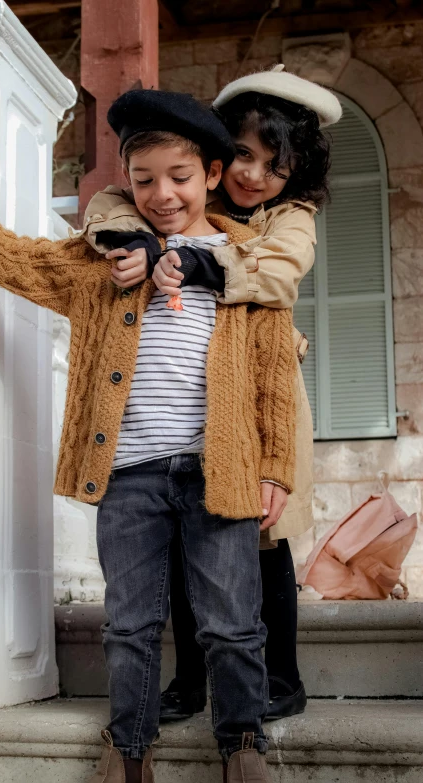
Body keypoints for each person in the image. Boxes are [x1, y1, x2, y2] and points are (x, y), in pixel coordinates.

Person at [0, 88, 299, 783]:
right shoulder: (104, 258)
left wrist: (278, 467)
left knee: (233, 621)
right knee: (129, 625)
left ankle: (241, 744)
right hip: (130, 473)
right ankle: (129, 747)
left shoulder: (250, 265)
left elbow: (272, 379)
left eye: (179, 177)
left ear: (211, 173)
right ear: (127, 183)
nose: (162, 194)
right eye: (143, 180)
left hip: (222, 468)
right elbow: (19, 260)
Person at [80, 65, 342, 722]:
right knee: (181, 539)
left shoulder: (293, 218)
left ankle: (280, 676)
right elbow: (112, 201)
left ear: (296, 171)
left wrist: (199, 260)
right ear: (221, 157)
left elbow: (278, 276)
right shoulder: (195, 197)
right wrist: (136, 238)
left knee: (261, 535)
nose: (255, 175)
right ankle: (190, 678)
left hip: (263, 398)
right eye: (245, 155)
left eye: (275, 164)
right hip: (189, 408)